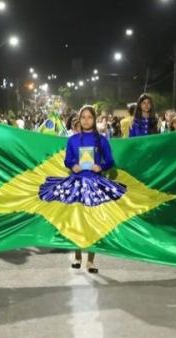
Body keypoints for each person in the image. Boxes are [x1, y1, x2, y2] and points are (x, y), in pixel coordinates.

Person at [39, 105, 124, 274]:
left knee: (93, 221)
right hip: (76, 183)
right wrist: (73, 165)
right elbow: (67, 160)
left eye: (89, 117)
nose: (86, 120)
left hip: (95, 184)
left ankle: (91, 261)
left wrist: (100, 166)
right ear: (79, 119)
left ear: (94, 119)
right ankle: (77, 256)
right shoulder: (72, 140)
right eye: (83, 117)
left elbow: (110, 161)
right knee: (76, 219)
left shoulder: (102, 140)